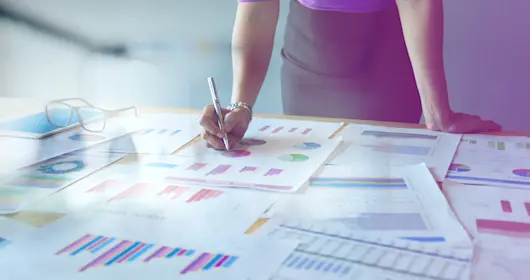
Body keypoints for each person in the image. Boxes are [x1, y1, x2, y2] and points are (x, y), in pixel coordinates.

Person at [199, 0, 501, 150]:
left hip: (382, 57)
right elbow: (257, 9)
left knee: (381, 183)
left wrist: (438, 114)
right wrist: (240, 107)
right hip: (307, 56)